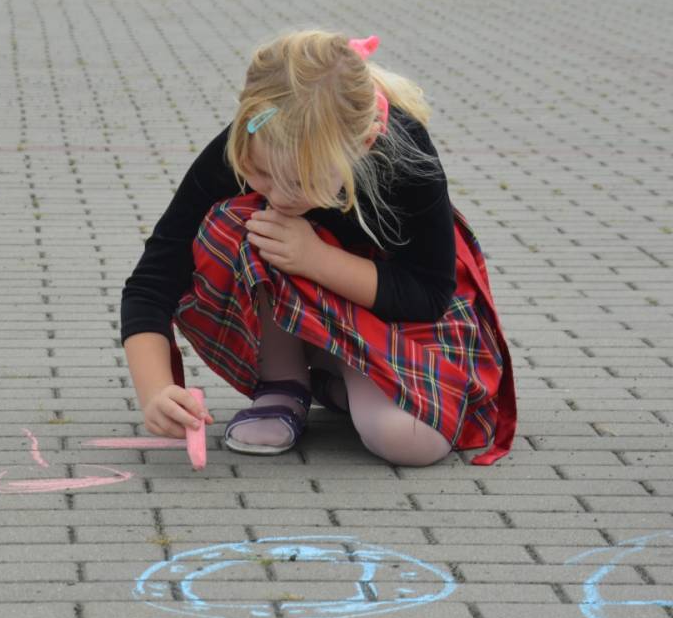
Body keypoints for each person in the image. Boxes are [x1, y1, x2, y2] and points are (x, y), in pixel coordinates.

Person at [121, 30, 516, 466]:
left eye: (298, 182)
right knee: (238, 221)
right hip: (310, 302)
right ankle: (283, 382)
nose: (277, 194)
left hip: (394, 308)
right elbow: (152, 280)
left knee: (408, 441)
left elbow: (428, 293)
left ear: (362, 146)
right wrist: (156, 391)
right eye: (261, 174)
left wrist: (316, 258)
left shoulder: (404, 156)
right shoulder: (252, 139)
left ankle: (338, 371)